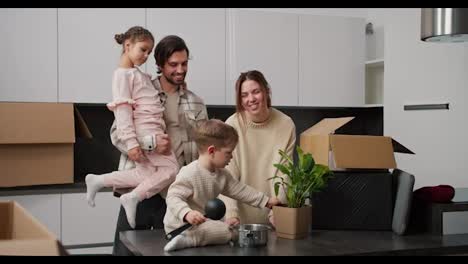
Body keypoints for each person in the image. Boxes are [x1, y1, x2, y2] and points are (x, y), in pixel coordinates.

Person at [109, 35, 208, 255]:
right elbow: (117, 134)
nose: (180, 69)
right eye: (173, 65)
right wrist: (151, 144)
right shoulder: (140, 88)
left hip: (175, 194)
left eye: (184, 64)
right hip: (140, 189)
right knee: (125, 251)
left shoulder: (197, 103)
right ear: (160, 65)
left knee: (168, 252)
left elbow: (202, 152)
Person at [85, 26, 179, 230]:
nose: (146, 56)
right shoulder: (122, 75)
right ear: (128, 45)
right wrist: (132, 144)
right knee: (171, 169)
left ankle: (99, 181)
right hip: (147, 130)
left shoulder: (136, 75)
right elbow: (123, 112)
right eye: (143, 49)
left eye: (149, 51)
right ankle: (133, 197)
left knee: (145, 175)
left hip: (151, 127)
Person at [163, 119, 281, 252]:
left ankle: (193, 237)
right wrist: (187, 213)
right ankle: (188, 239)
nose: (231, 157)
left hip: (200, 224)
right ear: (212, 151)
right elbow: (173, 197)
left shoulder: (222, 175)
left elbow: (240, 190)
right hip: (179, 224)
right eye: (228, 152)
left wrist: (266, 201)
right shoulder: (189, 173)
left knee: (231, 231)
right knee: (226, 231)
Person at [219, 70, 296, 227]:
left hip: (273, 217)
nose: (251, 99)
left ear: (266, 91)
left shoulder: (286, 124)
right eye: (244, 95)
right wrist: (231, 214)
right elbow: (228, 175)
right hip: (238, 220)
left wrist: (278, 208)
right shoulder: (232, 125)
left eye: (256, 92)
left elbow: (284, 172)